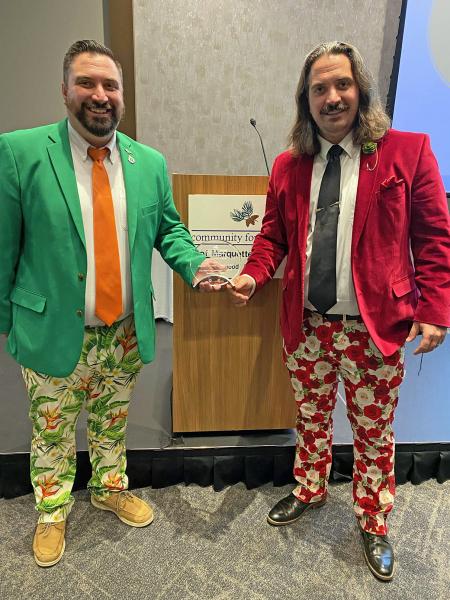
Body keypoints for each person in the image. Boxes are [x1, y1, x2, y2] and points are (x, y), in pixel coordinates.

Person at [228, 41, 450, 581]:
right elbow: (273, 237)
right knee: (310, 418)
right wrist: (252, 275)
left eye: (342, 85)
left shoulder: (408, 151)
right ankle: (310, 489)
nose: (332, 97)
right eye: (319, 88)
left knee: (374, 430)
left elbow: (435, 236)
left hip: (374, 328)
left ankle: (373, 519)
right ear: (305, 100)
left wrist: (436, 309)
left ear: (361, 91)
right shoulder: (288, 165)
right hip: (306, 327)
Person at [0, 40, 217, 567]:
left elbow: (169, 230)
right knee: (51, 425)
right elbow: (5, 243)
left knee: (111, 417)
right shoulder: (20, 151)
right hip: (52, 326)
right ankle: (51, 511)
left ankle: (108, 485)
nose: (100, 95)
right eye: (87, 83)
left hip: (121, 326)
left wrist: (196, 265)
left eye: (110, 85)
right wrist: (9, 325)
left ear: (122, 95)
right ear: (65, 90)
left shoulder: (149, 162)